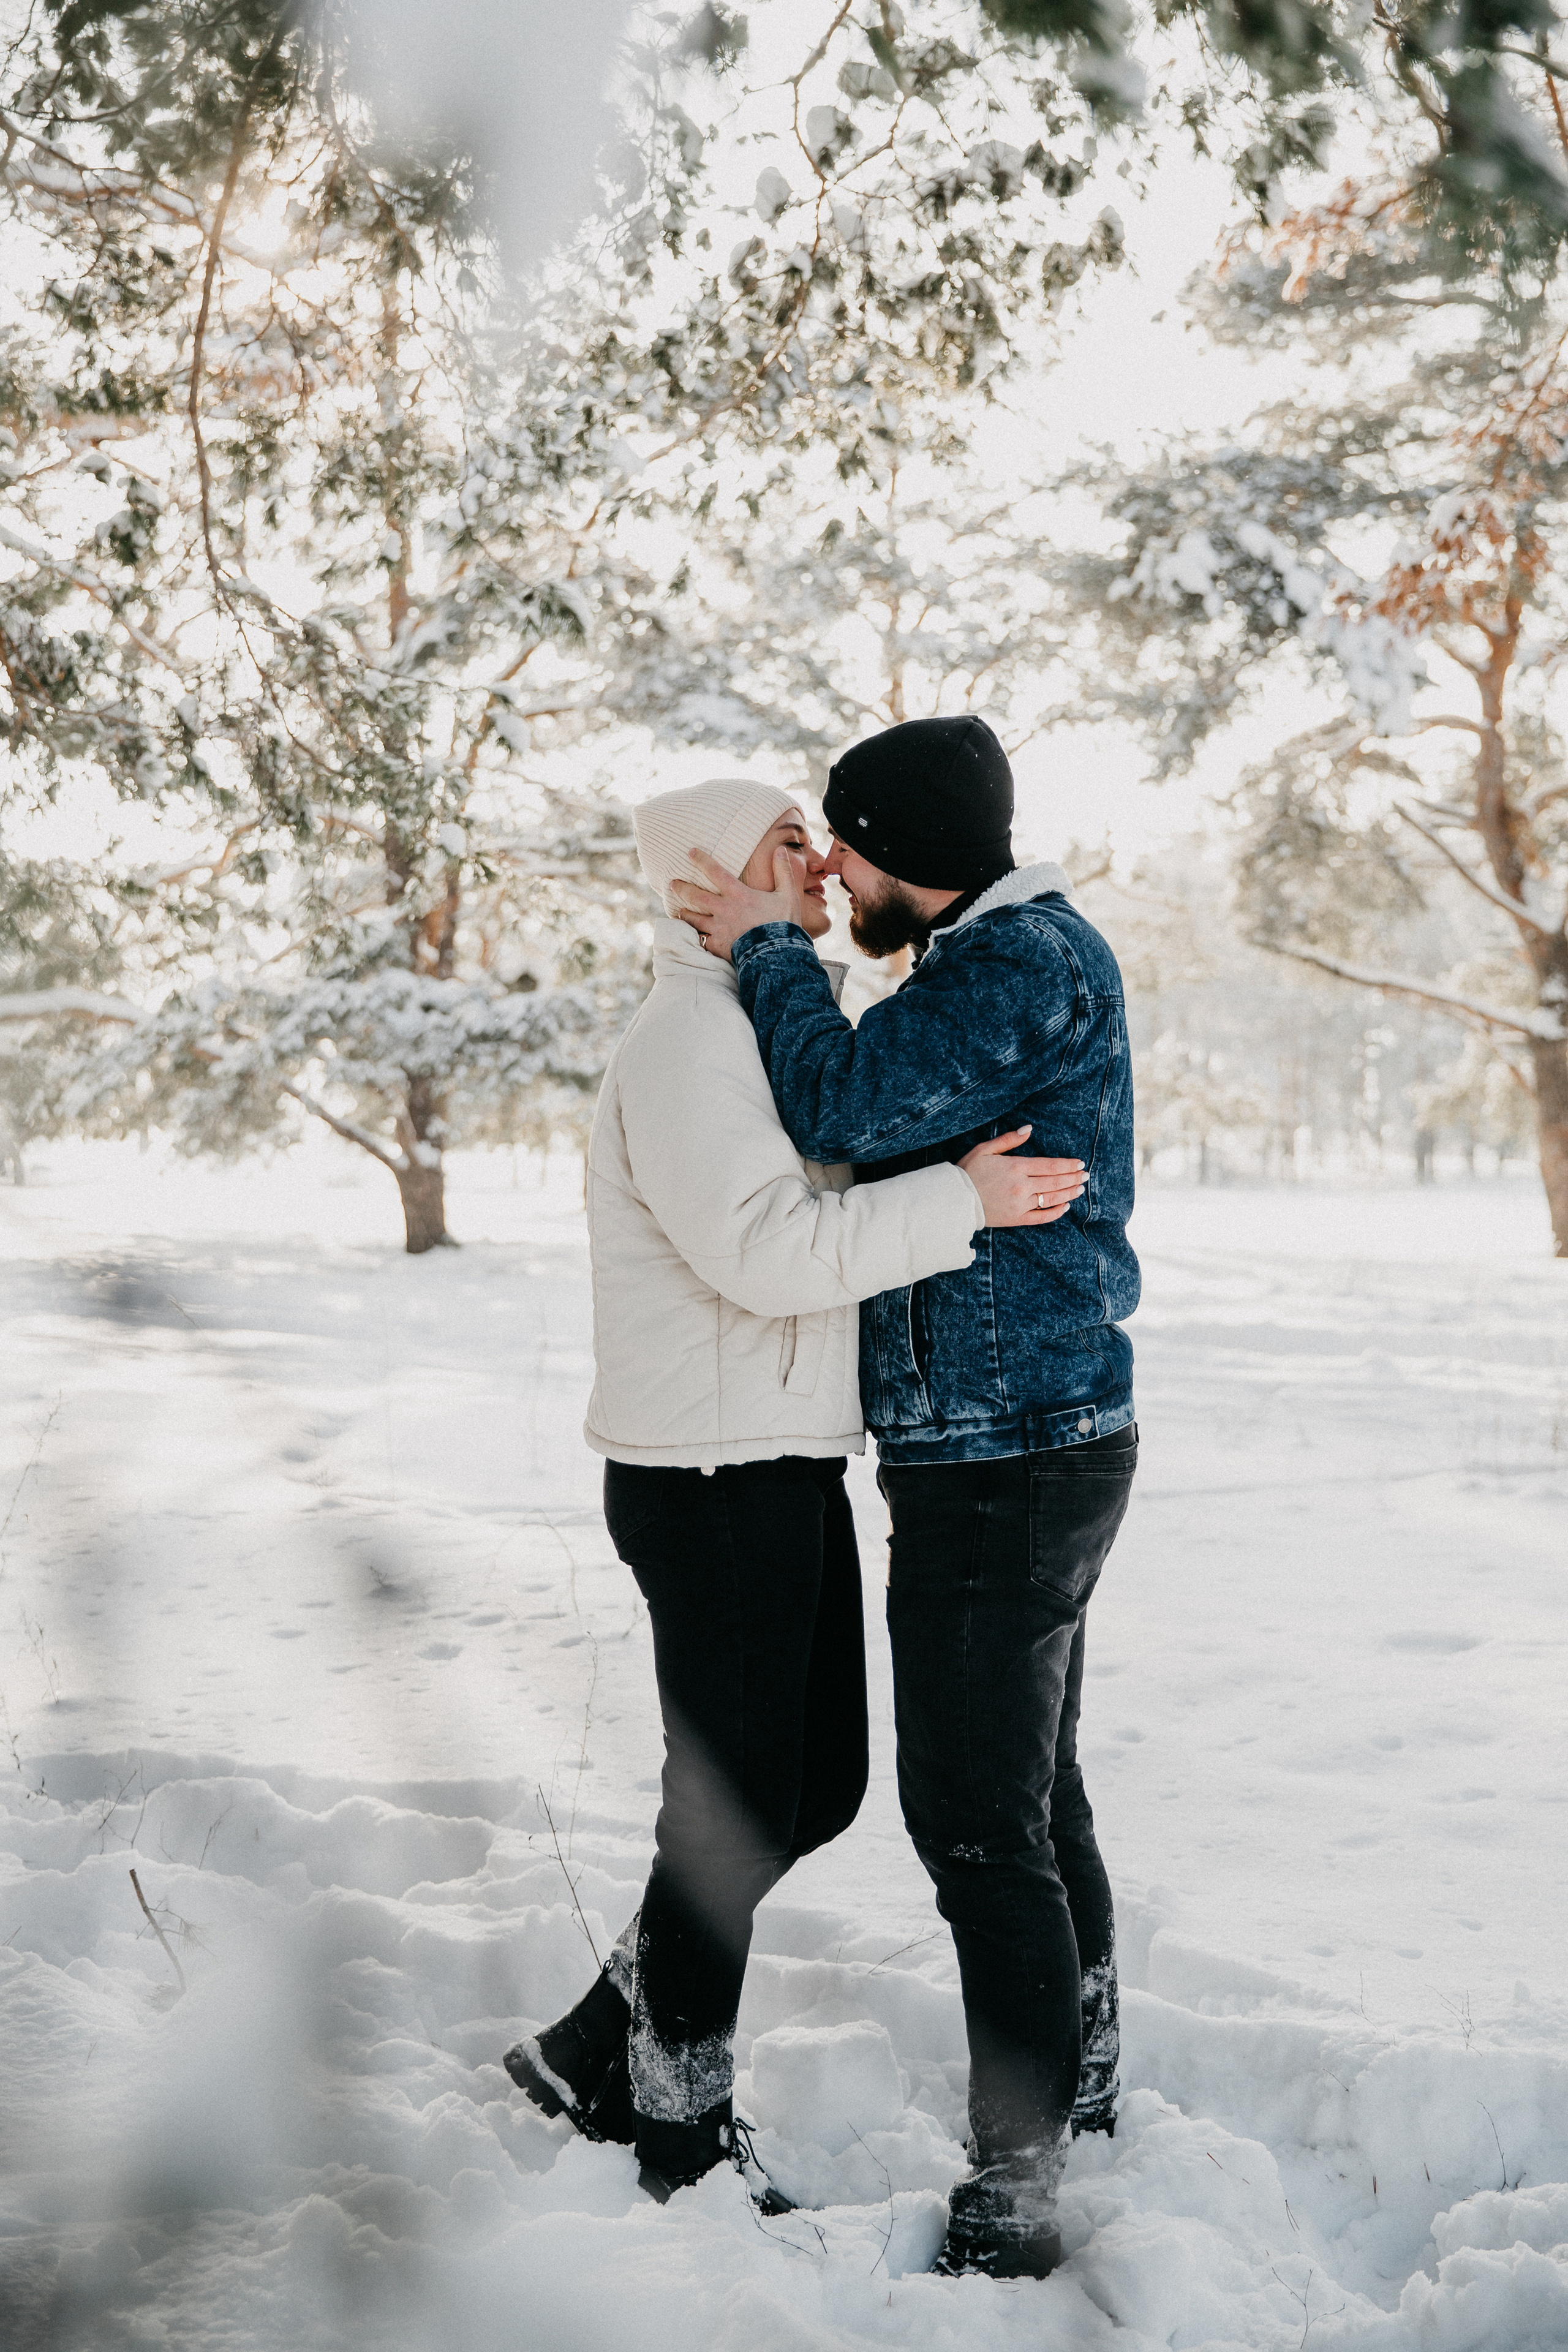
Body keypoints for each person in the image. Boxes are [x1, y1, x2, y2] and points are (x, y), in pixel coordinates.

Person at [503, 775, 1087, 2211]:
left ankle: (594, 2047)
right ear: (707, 877)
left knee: (806, 1790)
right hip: (704, 1476)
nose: (820, 867)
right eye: (785, 848)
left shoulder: (754, 1022)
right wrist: (962, 1200)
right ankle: (674, 2135)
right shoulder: (687, 1041)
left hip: (776, 1461)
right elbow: (766, 1253)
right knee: (731, 1812)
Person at [671, 717, 1140, 2280]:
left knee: (974, 1830)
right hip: (1018, 1438)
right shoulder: (995, 963)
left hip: (1007, 1455)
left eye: (847, 848)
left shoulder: (1011, 969)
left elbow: (840, 1111)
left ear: (909, 856)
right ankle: (1074, 2085)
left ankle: (1016, 2197)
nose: (833, 875)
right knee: (1028, 1800)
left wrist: (761, 951)